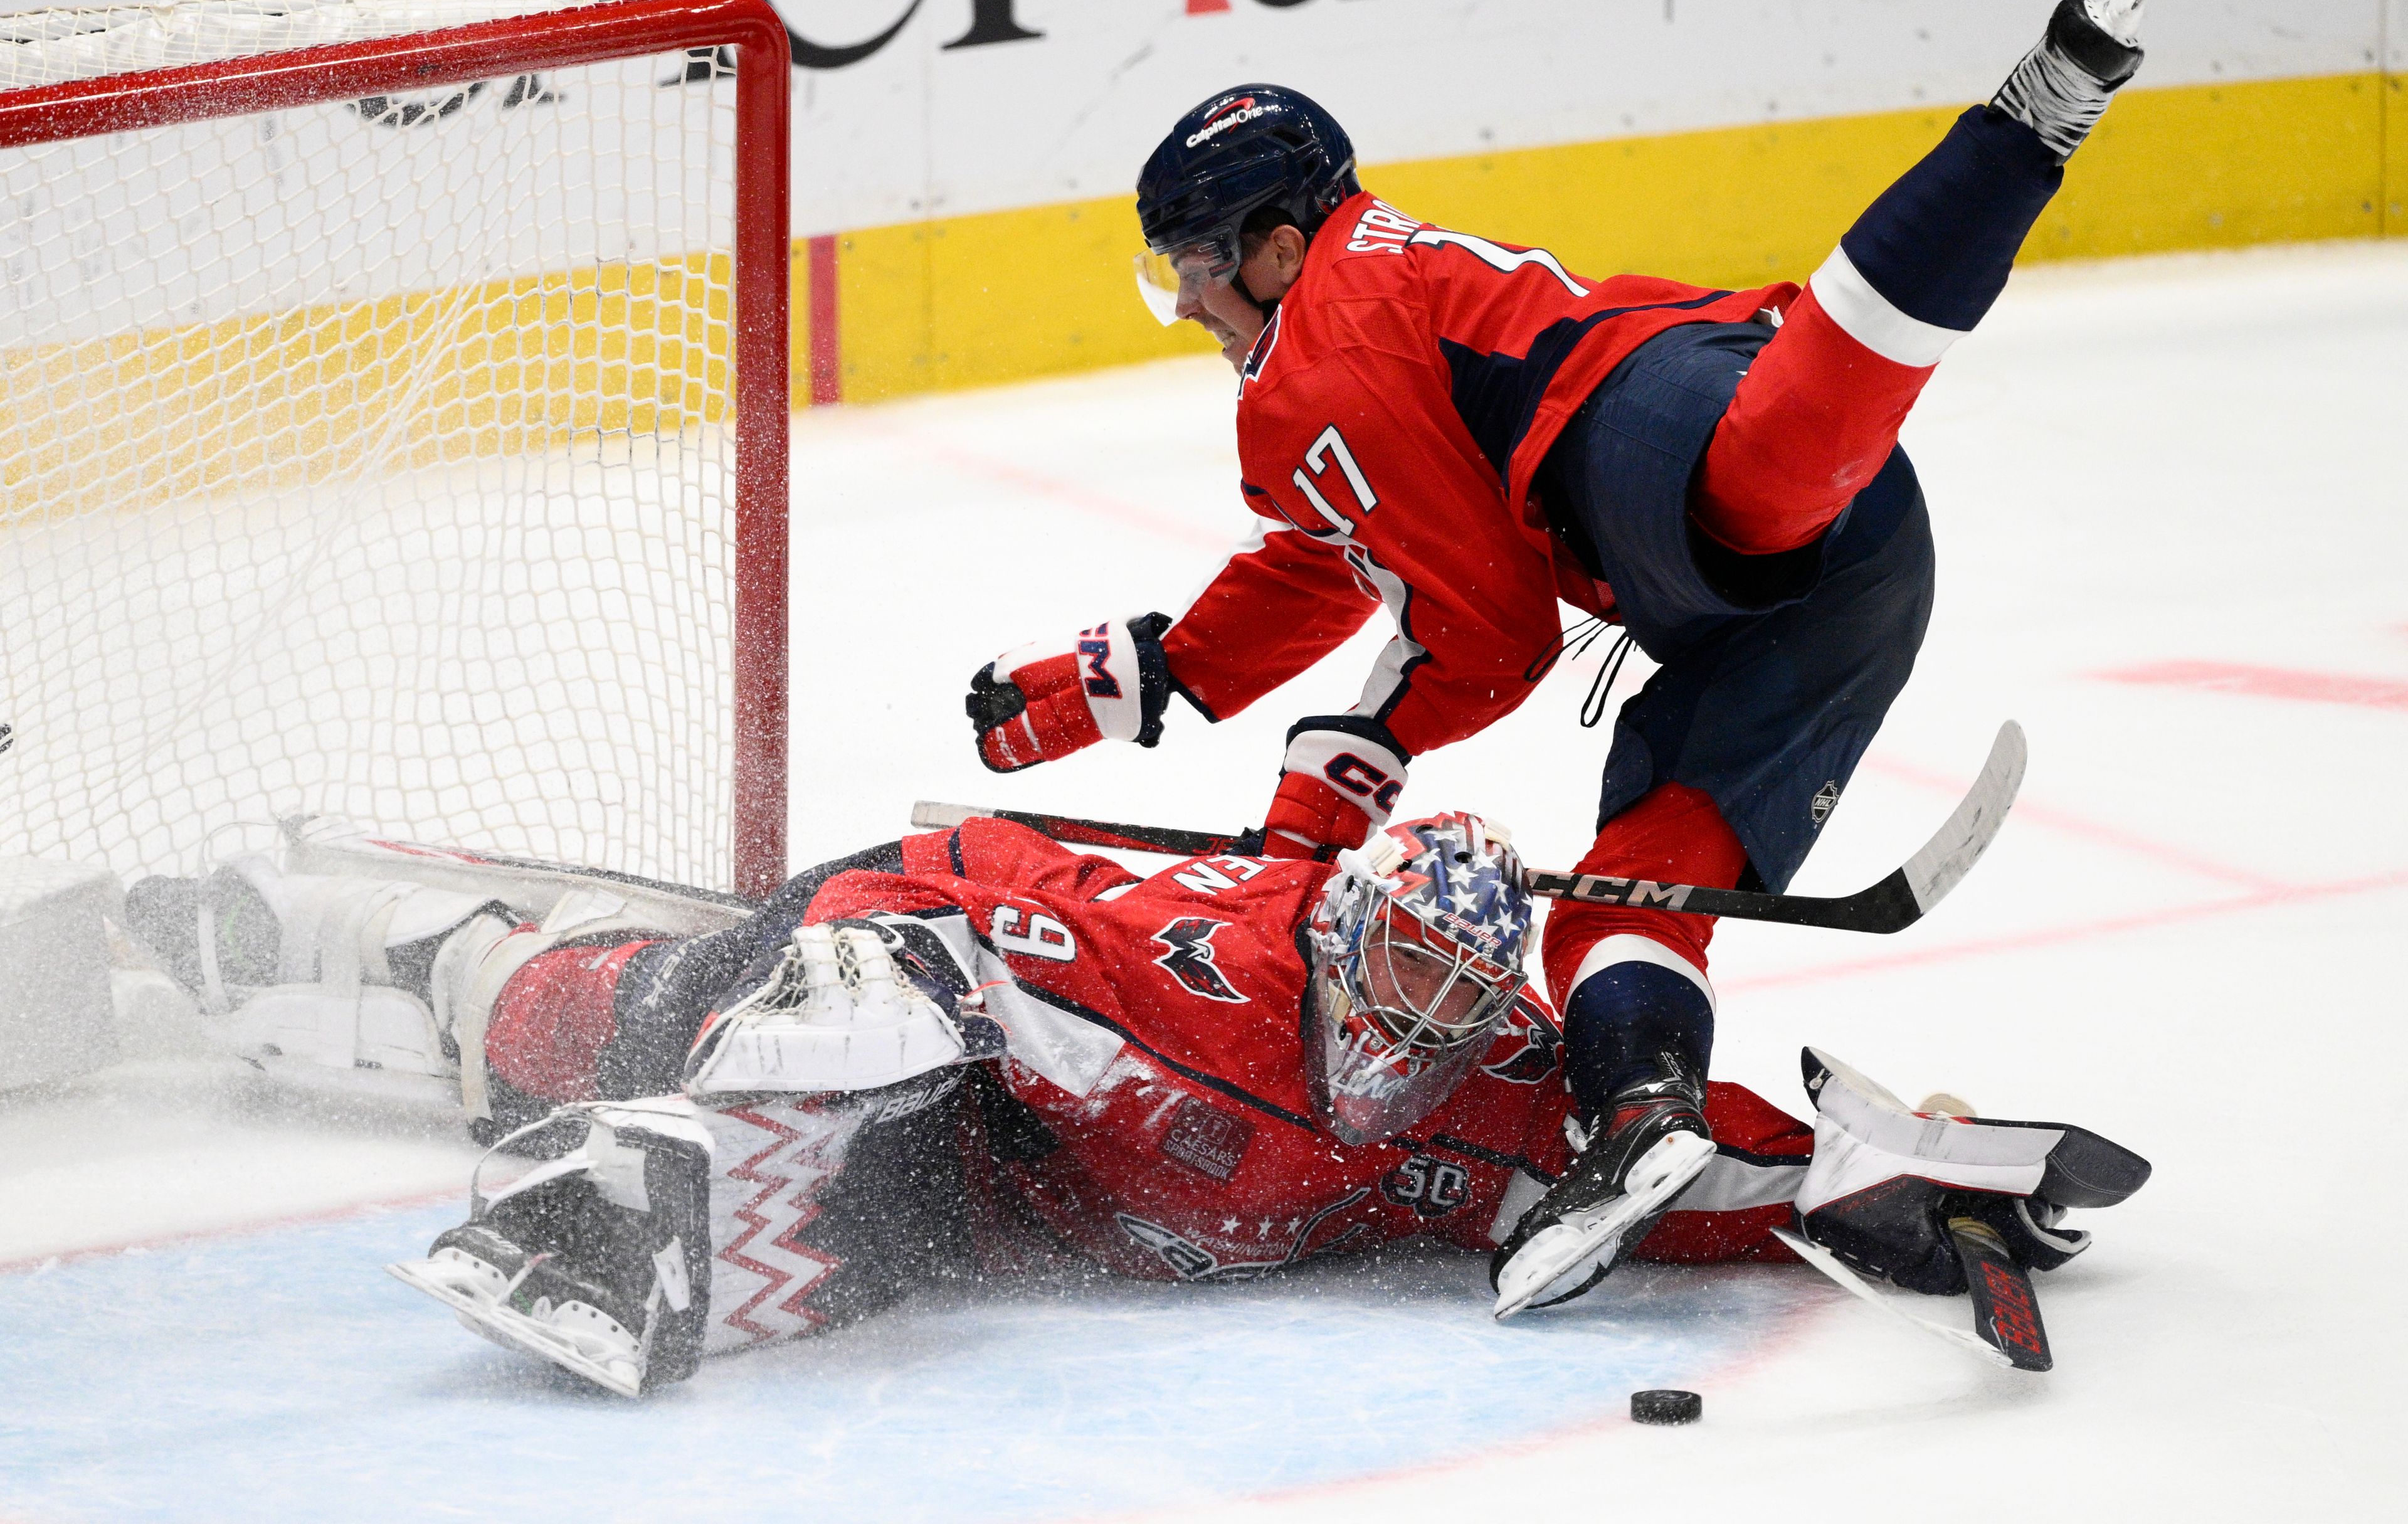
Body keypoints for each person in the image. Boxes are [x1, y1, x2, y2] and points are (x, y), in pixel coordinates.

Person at [961, 0, 2158, 1242]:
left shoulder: (1315, 360)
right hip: (1855, 585)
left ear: (1278, 246)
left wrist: (1313, 818)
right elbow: (1345, 549)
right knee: (1624, 903)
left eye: (1196, 264)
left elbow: (1484, 624)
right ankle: (1648, 1108)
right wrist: (1138, 674)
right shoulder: (1353, 323)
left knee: (1761, 477)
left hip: (1642, 436)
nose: (1189, 302)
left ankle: (2026, 126)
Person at [125, 812, 2145, 1395]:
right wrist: (767, 1032)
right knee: (687, 1016)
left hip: (1003, 1201)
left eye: (1459, 1012)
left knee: (882, 1199)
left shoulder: (1496, 1099)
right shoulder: (1187, 988)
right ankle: (395, 953)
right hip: (933, 985)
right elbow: (940, 906)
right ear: (1336, 950)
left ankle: (657, 1145)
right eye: (1393, 987)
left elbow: (1679, 1170)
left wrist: (1889, 1175)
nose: (1414, 1041)